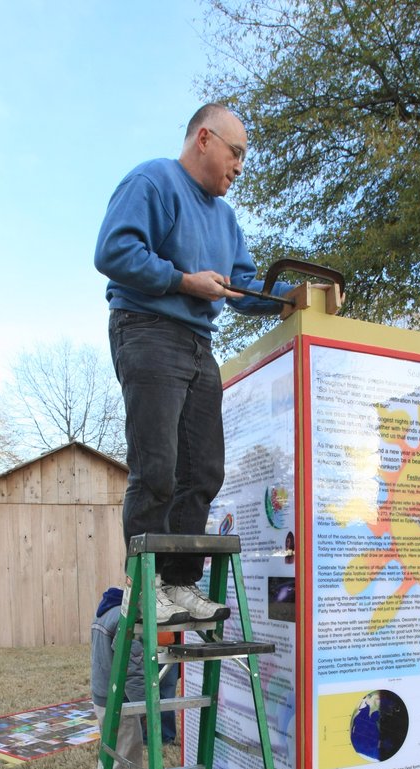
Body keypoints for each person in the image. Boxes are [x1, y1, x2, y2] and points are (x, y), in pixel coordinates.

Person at [94, 102, 292, 625]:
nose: (240, 166)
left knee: (202, 470)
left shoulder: (225, 220)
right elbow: (112, 252)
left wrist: (298, 296)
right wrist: (184, 281)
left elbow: (245, 288)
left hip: (198, 345)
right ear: (204, 138)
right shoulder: (154, 180)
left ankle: (178, 584)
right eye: (236, 152)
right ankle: (142, 588)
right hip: (147, 328)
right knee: (156, 466)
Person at [90, 587, 178, 769]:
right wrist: (145, 709)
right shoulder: (123, 619)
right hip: (121, 704)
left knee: (112, 761)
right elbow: (133, 672)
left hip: (103, 699)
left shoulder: (104, 614)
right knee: (125, 766)